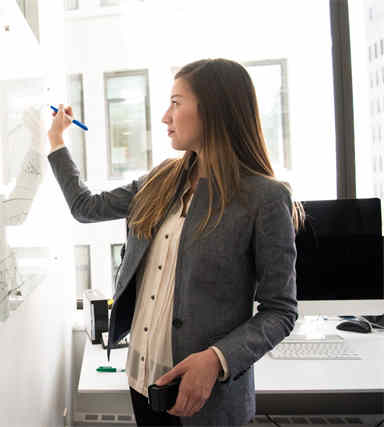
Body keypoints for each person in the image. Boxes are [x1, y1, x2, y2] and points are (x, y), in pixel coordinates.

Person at [46, 59, 302, 426]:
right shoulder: (162, 179)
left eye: (176, 103)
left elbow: (280, 310)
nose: (166, 117)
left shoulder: (265, 198)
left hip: (205, 400)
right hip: (142, 382)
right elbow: (85, 207)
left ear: (214, 110)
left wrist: (216, 359)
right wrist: (56, 141)